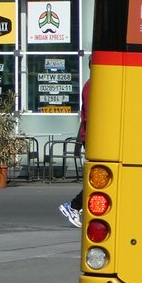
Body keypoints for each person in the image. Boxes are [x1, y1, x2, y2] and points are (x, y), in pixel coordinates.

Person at [58, 75, 90, 228]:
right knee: (101, 180)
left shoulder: (94, 85)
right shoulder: (93, 86)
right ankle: (74, 206)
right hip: (94, 137)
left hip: (93, 136)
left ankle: (76, 206)